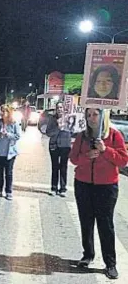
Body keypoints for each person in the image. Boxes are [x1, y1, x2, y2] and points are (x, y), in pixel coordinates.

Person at [69, 108, 128, 280]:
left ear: (103, 116)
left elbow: (123, 160)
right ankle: (88, 255)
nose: (91, 118)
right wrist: (87, 156)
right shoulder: (82, 136)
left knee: (105, 224)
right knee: (86, 222)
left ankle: (110, 264)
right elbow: (73, 159)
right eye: (88, 115)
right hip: (83, 184)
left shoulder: (114, 135)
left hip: (106, 187)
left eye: (95, 114)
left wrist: (105, 150)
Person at [0, 104, 21, 200]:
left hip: (10, 152)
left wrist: (7, 134)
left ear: (9, 112)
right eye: (2, 111)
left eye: (5, 111)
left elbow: (17, 136)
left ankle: (8, 191)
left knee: (8, 173)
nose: (3, 113)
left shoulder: (14, 123)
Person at [45, 101, 72, 197]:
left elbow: (73, 131)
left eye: (61, 107)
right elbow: (48, 132)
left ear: (64, 109)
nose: (59, 109)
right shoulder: (52, 119)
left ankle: (63, 188)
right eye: (58, 108)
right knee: (55, 167)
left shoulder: (69, 118)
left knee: (64, 167)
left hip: (65, 146)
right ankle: (54, 187)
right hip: (54, 145)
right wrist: (57, 128)